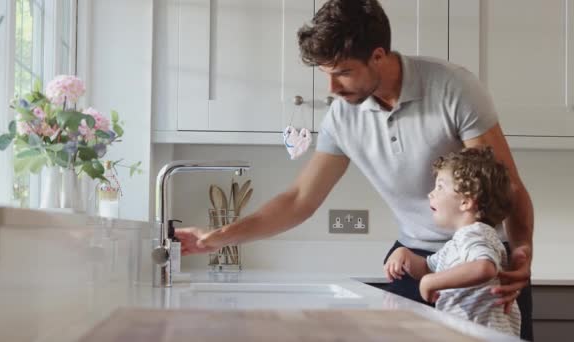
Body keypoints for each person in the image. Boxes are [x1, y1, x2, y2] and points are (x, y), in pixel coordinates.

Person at [176, 0, 534, 339]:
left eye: (343, 72)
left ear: (378, 56)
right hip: (412, 259)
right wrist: (216, 238)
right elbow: (299, 199)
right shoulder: (343, 117)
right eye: (326, 74)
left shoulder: (452, 88)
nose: (332, 88)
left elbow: (507, 186)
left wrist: (522, 255)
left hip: (480, 260)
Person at [384, 147, 520, 336]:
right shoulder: (458, 242)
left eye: (440, 186)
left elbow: (484, 268)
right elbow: (427, 267)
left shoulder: (476, 235)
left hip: (481, 335)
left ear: (466, 202)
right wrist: (405, 254)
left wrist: (431, 282)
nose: (431, 194)